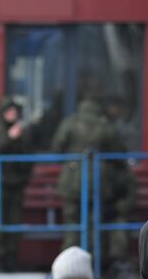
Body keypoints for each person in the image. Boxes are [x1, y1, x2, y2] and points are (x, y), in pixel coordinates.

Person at [51, 97, 134, 263]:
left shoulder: (70, 122)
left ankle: (69, 264)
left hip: (71, 182)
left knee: (72, 225)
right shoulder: (105, 125)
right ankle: (93, 265)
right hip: (98, 182)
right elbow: (118, 154)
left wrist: (71, 160)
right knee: (94, 226)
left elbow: (57, 148)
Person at [0, 97, 36, 272]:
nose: (12, 114)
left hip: (16, 184)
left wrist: (25, 177)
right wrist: (9, 137)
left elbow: (29, 156)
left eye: (15, 111)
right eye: (9, 111)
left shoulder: (23, 132)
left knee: (14, 222)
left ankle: (12, 260)